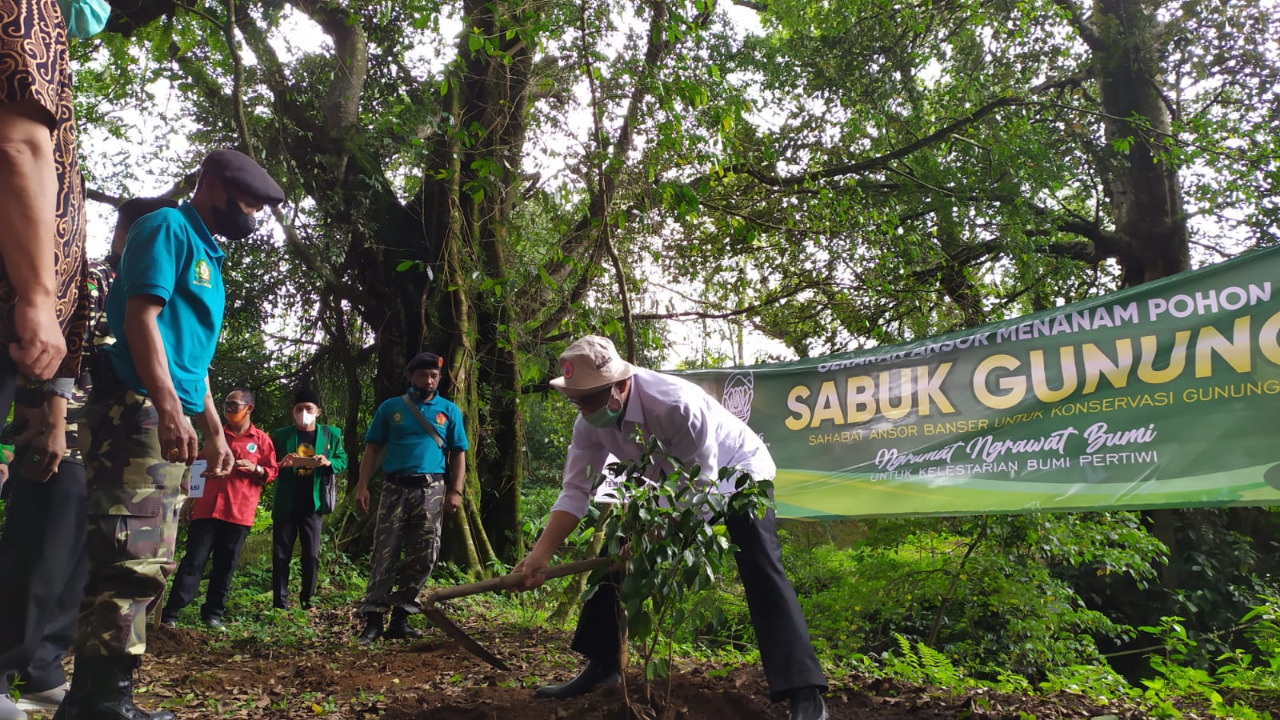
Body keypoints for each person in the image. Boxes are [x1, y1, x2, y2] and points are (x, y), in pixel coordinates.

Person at [56, 149, 285, 720]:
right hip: (135, 412)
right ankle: (104, 702)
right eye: (247, 203)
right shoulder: (167, 227)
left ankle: (93, 700)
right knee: (128, 555)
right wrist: (166, 408)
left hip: (165, 418)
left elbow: (191, 358)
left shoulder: (209, 252)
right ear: (211, 186)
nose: (253, 216)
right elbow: (142, 319)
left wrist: (211, 426)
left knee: (145, 558)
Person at [514, 336, 829, 720]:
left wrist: (652, 537)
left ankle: (805, 692)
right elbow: (576, 491)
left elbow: (701, 488)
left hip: (739, 474)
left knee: (761, 567)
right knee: (614, 559)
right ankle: (604, 665)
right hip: (671, 487)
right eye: (576, 400)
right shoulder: (588, 422)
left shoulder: (676, 405)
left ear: (621, 384)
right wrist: (540, 554)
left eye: (591, 399)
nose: (584, 409)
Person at [0, 197, 172, 720]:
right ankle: (3, 669)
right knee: (37, 558)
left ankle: (45, 668)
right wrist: (51, 423)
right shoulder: (95, 278)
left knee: (82, 563)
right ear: (126, 232)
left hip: (108, 445)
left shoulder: (144, 290)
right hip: (61, 432)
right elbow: (61, 347)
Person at [353, 352, 468, 644]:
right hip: (394, 488)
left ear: (439, 379)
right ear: (410, 377)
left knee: (424, 554)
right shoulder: (391, 408)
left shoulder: (449, 410)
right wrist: (362, 486)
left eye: (433, 376)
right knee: (384, 551)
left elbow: (459, 453)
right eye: (422, 375)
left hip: (432, 489)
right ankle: (374, 620)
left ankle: (401, 618)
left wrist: (456, 491)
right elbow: (373, 449)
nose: (428, 381)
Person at [161, 388, 277, 630]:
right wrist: (188, 502)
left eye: (233, 404)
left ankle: (213, 614)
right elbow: (197, 468)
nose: (228, 409)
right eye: (225, 404)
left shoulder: (261, 440)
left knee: (226, 565)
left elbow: (272, 472)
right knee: (193, 561)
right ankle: (171, 614)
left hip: (239, 513)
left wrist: (255, 469)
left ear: (249, 408)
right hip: (207, 510)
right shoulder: (214, 435)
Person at [270, 388, 348, 611]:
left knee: (311, 555)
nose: (304, 413)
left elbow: (342, 460)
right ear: (293, 412)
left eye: (308, 409)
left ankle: (308, 600)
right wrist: (281, 464)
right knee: (280, 554)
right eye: (299, 409)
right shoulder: (282, 435)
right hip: (286, 502)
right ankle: (280, 602)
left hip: (313, 504)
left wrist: (328, 462)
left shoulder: (330, 434)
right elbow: (270, 465)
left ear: (318, 412)